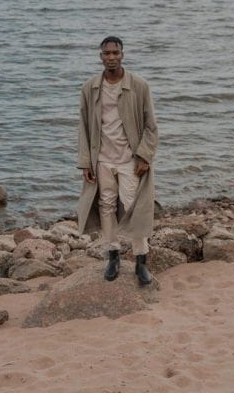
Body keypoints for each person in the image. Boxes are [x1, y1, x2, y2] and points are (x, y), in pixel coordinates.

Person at [76, 36, 158, 285]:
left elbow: (151, 127)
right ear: (100, 56)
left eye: (115, 53)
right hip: (101, 159)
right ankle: (112, 255)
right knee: (106, 206)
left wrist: (144, 155)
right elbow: (83, 127)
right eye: (106, 53)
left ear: (123, 54)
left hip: (129, 160)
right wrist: (85, 162)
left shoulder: (139, 86)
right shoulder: (90, 88)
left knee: (133, 205)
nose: (111, 57)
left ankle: (141, 259)